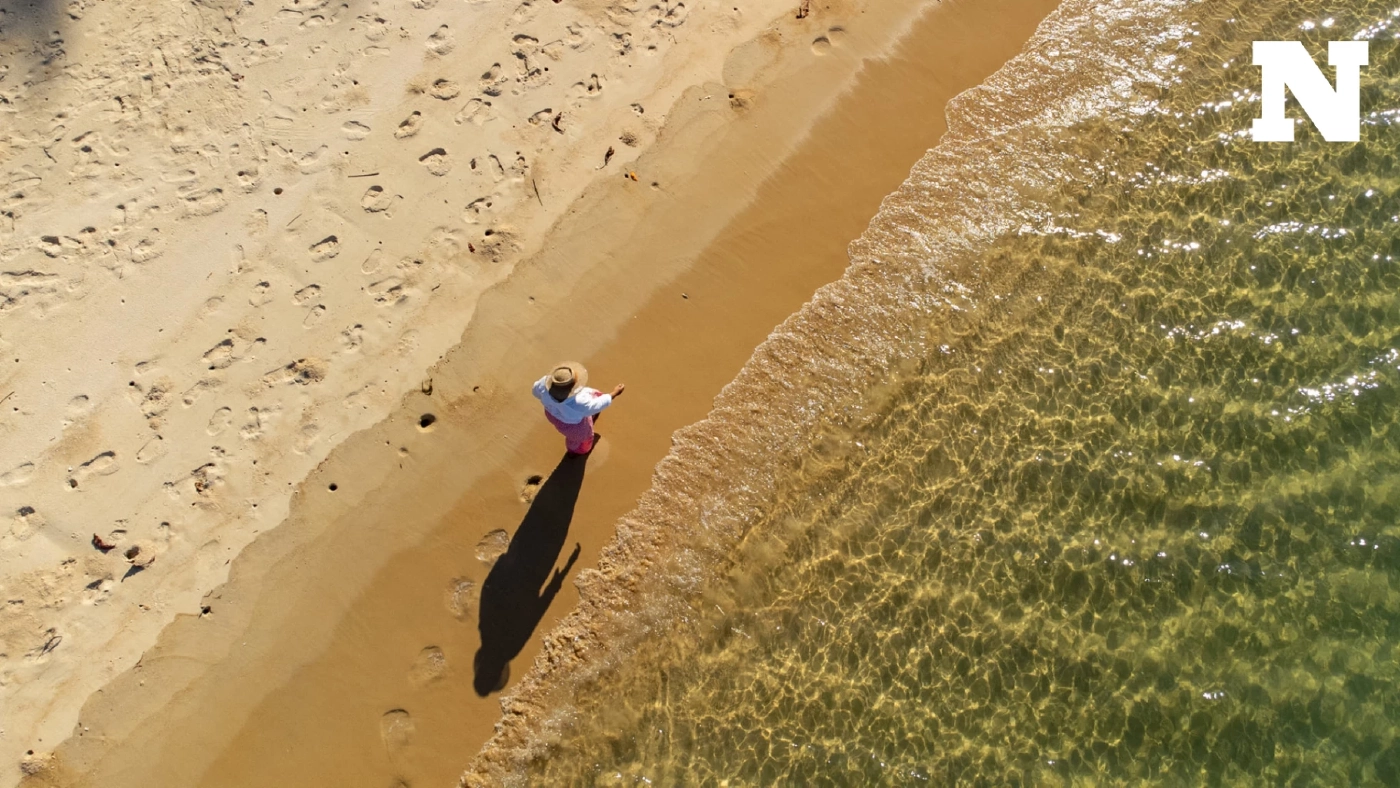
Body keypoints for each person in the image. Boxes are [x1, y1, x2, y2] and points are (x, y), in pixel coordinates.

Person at [531, 362, 624, 454]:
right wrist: (614, 393)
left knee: (572, 433)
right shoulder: (579, 402)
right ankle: (575, 450)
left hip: (552, 414)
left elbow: (535, 392)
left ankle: (573, 447)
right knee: (582, 438)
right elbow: (597, 404)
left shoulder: (543, 384)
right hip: (574, 426)